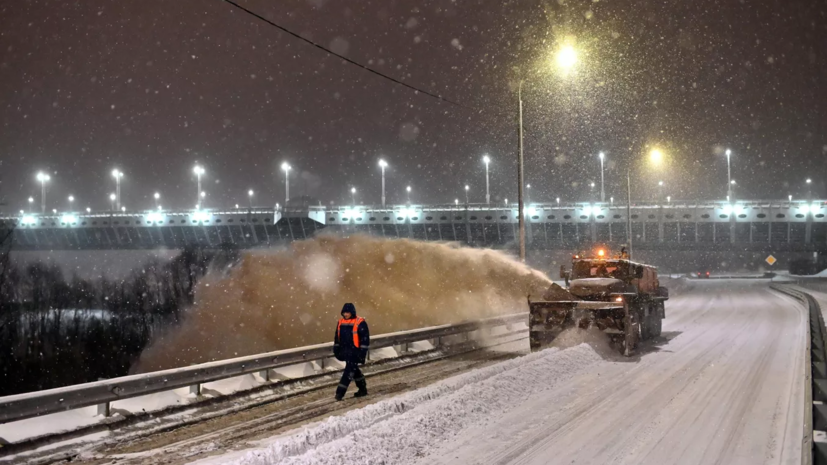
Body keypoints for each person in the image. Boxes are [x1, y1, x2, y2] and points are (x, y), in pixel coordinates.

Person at [333, 303, 369, 401]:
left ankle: (339, 393)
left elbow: (365, 339)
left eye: (347, 312)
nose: (346, 314)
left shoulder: (360, 322)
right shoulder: (340, 322)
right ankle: (363, 389)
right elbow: (337, 337)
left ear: (352, 312)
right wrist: (336, 348)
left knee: (348, 373)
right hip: (346, 351)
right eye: (344, 312)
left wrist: (362, 352)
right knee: (354, 370)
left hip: (355, 352)